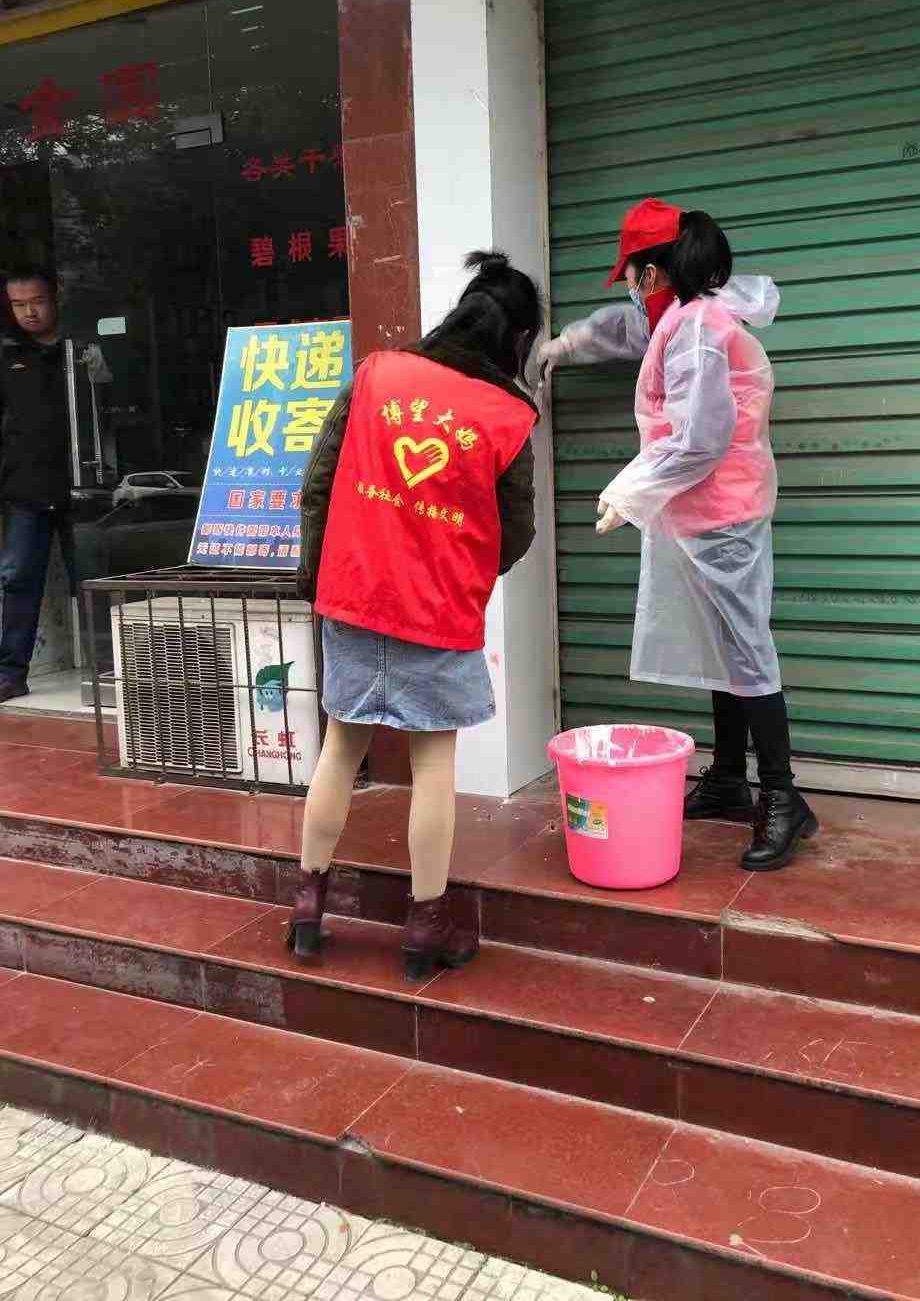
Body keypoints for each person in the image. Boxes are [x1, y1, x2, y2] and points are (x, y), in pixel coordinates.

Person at [537, 199, 818, 872]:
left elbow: (701, 439)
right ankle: (729, 779)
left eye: (633, 273)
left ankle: (783, 797)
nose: (632, 288)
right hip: (706, 512)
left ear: (654, 273)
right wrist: (562, 346)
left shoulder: (697, 331)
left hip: (723, 512)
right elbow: (625, 330)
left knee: (746, 650)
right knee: (727, 647)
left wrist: (627, 491)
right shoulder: (685, 317)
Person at [292, 252, 541, 976]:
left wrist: (320, 580)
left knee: (341, 748)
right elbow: (515, 532)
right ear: (519, 339)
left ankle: (308, 905)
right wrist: (456, 564)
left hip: (354, 595)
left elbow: (318, 483)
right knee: (433, 764)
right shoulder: (508, 416)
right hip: (435, 611)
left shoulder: (377, 375)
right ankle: (425, 926)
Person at [0, 264, 78, 704]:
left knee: (92, 581)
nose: (29, 312)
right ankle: (11, 673)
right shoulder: (9, 355)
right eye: (19, 304)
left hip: (83, 489)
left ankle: (114, 671)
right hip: (26, 489)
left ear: (56, 297)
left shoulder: (79, 349)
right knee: (17, 580)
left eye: (37, 301)